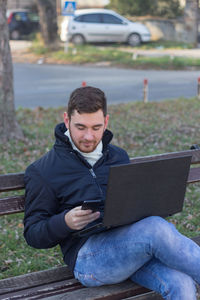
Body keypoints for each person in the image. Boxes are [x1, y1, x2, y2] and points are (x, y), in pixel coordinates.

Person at [24, 86, 200, 300]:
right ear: (66, 119)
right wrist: (65, 222)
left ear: (106, 122)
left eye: (96, 127)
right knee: (156, 229)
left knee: (181, 283)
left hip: (130, 248)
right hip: (89, 259)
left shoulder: (118, 157)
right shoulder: (43, 171)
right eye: (81, 127)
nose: (89, 136)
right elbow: (33, 234)